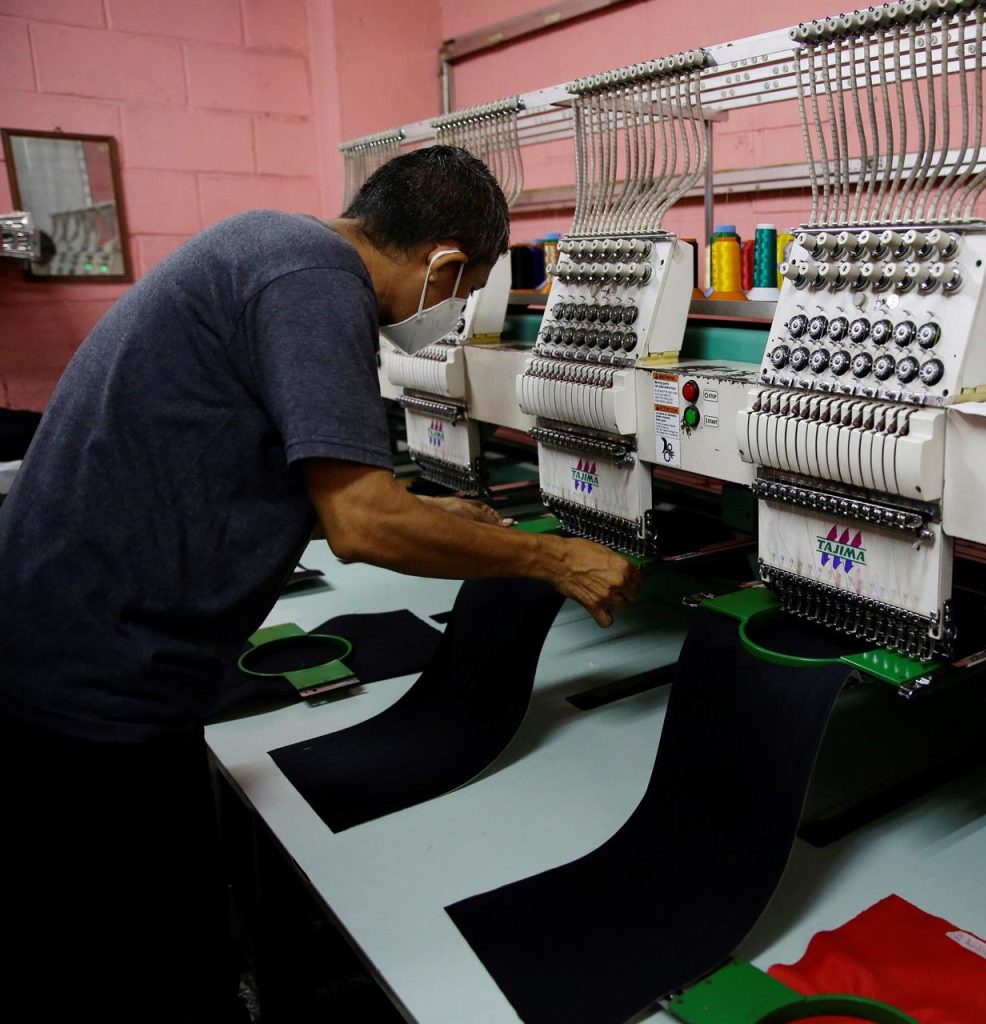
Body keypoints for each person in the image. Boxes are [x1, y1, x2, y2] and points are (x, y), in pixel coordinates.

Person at [0, 145, 640, 1019]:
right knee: (158, 956)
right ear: (444, 260)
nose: (450, 316)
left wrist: (447, 521)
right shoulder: (312, 283)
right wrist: (553, 557)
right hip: (93, 677)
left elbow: (270, 472)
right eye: (462, 293)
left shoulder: (269, 249)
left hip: (63, 635)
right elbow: (362, 523)